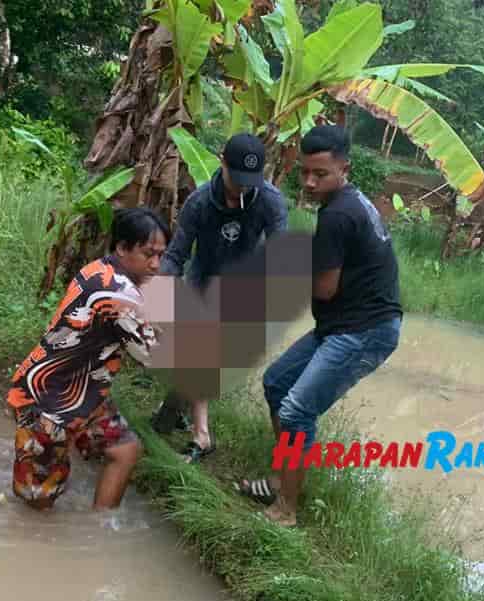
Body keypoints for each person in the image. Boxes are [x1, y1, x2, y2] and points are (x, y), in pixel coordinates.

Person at [233, 124, 402, 527]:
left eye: (320, 174)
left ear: (344, 168)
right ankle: (282, 478)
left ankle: (287, 510)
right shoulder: (351, 201)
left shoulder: (338, 215)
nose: (309, 182)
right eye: (305, 172)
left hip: (364, 330)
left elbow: (324, 289)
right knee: (277, 383)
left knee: (295, 412)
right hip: (346, 324)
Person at [5, 208, 168, 510]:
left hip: (83, 394)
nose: (156, 264)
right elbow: (153, 355)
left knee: (125, 450)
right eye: (149, 254)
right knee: (37, 501)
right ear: (121, 248)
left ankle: (99, 529)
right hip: (48, 404)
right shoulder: (120, 297)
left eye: (161, 255)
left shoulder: (99, 269)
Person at [152, 132, 288, 463]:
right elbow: (176, 254)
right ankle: (199, 433)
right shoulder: (199, 203)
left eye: (249, 181)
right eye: (236, 178)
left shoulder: (269, 201)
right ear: (222, 161)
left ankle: (175, 416)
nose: (242, 188)